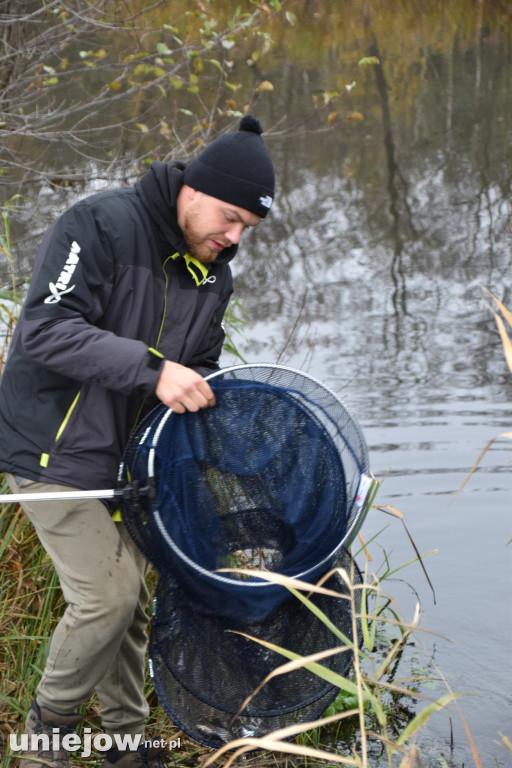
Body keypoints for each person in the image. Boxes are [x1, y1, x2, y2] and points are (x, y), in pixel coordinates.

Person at [0, 114, 275, 768]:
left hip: (130, 468)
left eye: (248, 228)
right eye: (229, 217)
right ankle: (44, 744)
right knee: (107, 598)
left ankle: (127, 747)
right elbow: (45, 331)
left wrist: (207, 395)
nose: (234, 237)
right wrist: (155, 373)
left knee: (134, 610)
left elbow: (201, 366)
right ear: (193, 190)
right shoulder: (100, 225)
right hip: (48, 449)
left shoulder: (215, 276)